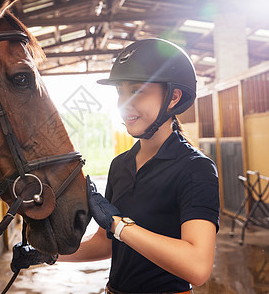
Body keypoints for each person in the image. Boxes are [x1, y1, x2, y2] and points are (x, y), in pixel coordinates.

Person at [58, 38, 220, 294]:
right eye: (120, 91)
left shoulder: (195, 169)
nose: (124, 103)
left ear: (173, 97)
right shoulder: (120, 165)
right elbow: (108, 244)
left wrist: (119, 225)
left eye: (137, 90)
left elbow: (197, 266)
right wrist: (49, 254)